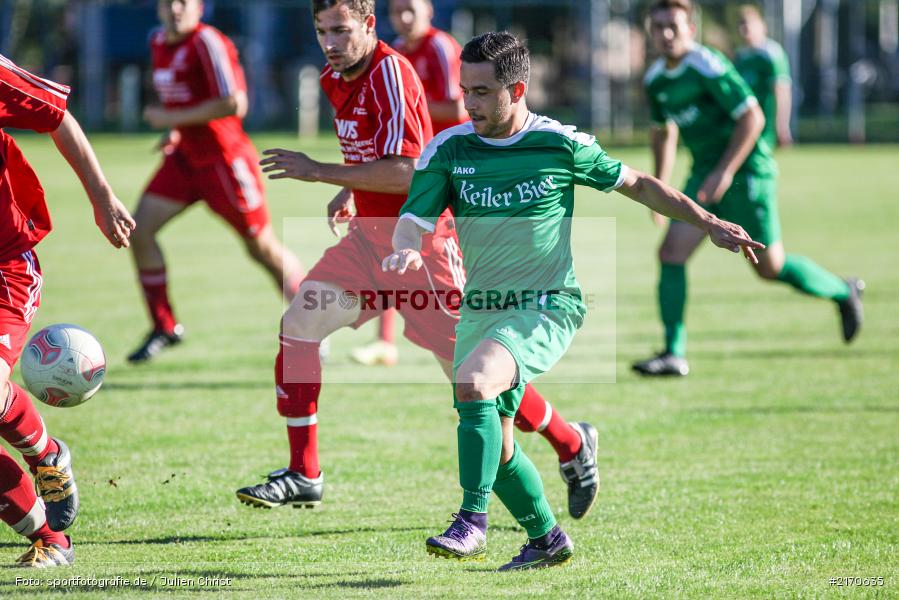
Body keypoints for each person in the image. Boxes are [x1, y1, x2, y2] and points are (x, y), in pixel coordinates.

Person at [383, 31, 762, 571]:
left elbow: (639, 184)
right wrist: (407, 252)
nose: (470, 103)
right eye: (465, 90)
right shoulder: (450, 149)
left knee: (474, 383)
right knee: (500, 443)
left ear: (517, 89)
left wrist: (708, 222)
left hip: (546, 302)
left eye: (484, 92)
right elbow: (412, 221)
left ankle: (472, 519)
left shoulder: (559, 144)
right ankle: (546, 539)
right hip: (482, 308)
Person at [234, 0, 599, 521]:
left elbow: (408, 172)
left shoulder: (390, 72)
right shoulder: (334, 77)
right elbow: (371, 157)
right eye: (321, 31)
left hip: (420, 249)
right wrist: (350, 192)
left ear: (368, 25)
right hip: (367, 241)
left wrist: (320, 172)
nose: (330, 42)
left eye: (340, 30)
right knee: (299, 322)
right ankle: (304, 473)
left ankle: (571, 442)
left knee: (476, 380)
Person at [632, 0, 863, 377]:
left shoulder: (708, 66)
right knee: (671, 254)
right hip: (705, 172)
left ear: (691, 29)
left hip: (748, 170)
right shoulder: (656, 78)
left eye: (674, 25)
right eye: (658, 27)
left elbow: (752, 117)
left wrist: (724, 172)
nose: (666, 34)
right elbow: (663, 132)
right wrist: (660, 190)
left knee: (770, 268)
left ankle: (843, 290)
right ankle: (674, 354)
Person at [0, 53, 135, 567]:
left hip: (4, 268)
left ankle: (45, 455)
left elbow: (57, 115)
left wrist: (101, 197)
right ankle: (47, 537)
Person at [126, 0, 304, 363]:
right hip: (185, 159)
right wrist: (176, 130)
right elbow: (186, 95)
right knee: (138, 230)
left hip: (224, 163)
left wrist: (171, 118)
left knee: (262, 248)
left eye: (184, 3)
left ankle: (312, 322)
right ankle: (164, 326)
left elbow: (233, 103)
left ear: (199, 7)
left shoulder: (207, 41)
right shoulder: (159, 41)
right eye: (168, 3)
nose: (176, 9)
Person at [350, 0, 467, 367]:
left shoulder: (439, 46)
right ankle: (385, 341)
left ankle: (483, 332)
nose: (402, 19)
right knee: (389, 243)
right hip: (418, 172)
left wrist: (403, 105)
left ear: (428, 11)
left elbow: (458, 109)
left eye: (410, 10)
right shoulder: (396, 52)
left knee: (458, 258)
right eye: (395, 11)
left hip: (453, 170)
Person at [734, 4, 793, 149]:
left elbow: (781, 91)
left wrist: (782, 126)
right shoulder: (741, 56)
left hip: (766, 123)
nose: (745, 28)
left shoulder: (771, 54)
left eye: (749, 23)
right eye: (742, 24)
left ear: (762, 26)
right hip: (744, 122)